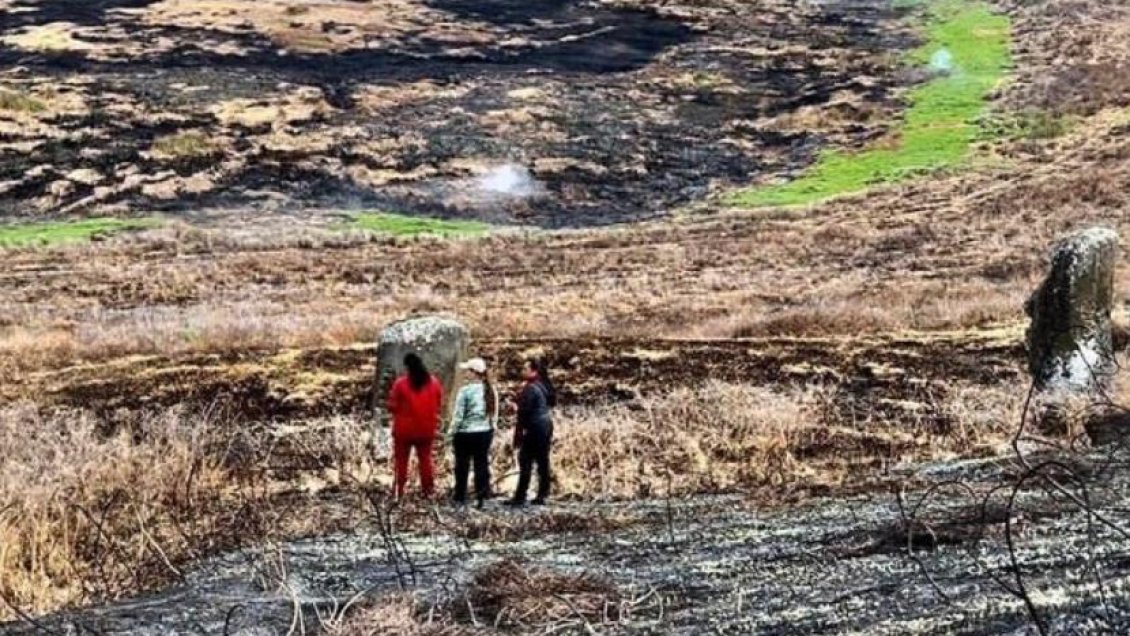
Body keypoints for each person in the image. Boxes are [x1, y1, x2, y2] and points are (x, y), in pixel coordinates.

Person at [386, 353, 443, 500]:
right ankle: (428, 491)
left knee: (401, 461)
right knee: (425, 460)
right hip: (426, 429)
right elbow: (438, 402)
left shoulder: (401, 384)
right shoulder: (434, 383)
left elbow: (392, 405)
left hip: (404, 430)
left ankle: (399, 491)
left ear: (407, 367)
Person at [448, 357, 499, 508]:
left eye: (467, 371)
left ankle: (460, 495)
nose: (465, 374)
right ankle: (482, 495)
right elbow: (494, 413)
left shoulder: (465, 391)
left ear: (474, 373)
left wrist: (451, 432)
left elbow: (458, 416)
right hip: (484, 432)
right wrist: (492, 428)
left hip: (465, 433)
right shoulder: (491, 390)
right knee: (481, 464)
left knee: (462, 465)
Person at [507, 357, 557, 506]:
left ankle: (520, 496)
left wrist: (515, 407)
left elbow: (524, 412)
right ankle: (542, 494)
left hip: (535, 427)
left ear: (533, 370)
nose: (523, 371)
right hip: (545, 425)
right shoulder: (543, 385)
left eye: (525, 369)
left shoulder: (530, 388)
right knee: (542, 461)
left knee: (525, 459)